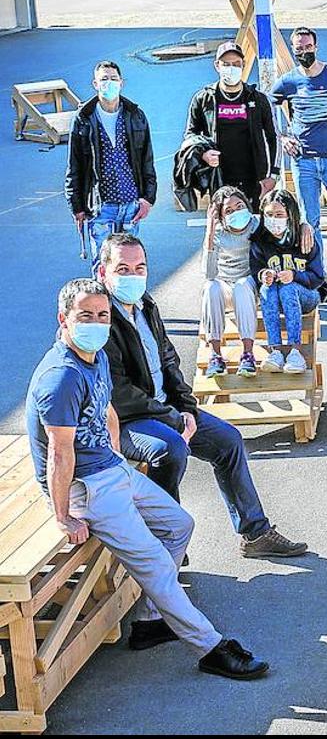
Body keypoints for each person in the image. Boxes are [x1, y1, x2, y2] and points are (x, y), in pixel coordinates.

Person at [27, 278, 267, 677]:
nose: (96, 322)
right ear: (63, 320)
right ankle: (209, 647)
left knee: (179, 524)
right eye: (85, 315)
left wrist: (118, 457)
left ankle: (154, 620)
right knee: (156, 562)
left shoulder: (95, 354)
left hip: (108, 466)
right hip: (84, 487)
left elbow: (106, 409)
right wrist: (63, 515)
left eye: (102, 315)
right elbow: (58, 452)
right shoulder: (60, 377)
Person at [96, 234, 307, 559]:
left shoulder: (145, 305)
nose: (133, 275)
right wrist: (172, 418)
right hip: (128, 421)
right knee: (169, 449)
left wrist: (186, 408)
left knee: (229, 440)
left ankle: (255, 533)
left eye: (140, 268)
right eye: (122, 268)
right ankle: (167, 544)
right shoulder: (101, 318)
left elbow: (169, 361)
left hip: (164, 409)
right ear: (102, 273)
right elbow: (119, 393)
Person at [65, 60, 157, 266]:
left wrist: (148, 198)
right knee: (103, 263)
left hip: (130, 202)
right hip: (100, 206)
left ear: (121, 82)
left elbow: (147, 160)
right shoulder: (83, 119)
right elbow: (75, 166)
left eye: (113, 79)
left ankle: (129, 299)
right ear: (95, 84)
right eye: (104, 79)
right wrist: (77, 206)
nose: (109, 83)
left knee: (129, 262)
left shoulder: (135, 116)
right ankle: (102, 298)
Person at [271, 26, 327, 233]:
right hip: (304, 161)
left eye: (308, 47)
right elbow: (267, 107)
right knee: (309, 223)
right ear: (293, 50)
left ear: (316, 46)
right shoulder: (287, 81)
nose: (305, 52)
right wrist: (281, 137)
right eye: (299, 49)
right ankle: (315, 265)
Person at [183, 42, 279, 210]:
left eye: (236, 64)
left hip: (253, 178)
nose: (231, 68)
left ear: (243, 65)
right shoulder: (203, 99)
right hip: (218, 176)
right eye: (226, 64)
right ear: (217, 66)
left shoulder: (258, 99)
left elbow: (273, 137)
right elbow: (190, 136)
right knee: (222, 223)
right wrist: (204, 154)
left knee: (253, 225)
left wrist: (273, 175)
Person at [251, 189, 327, 375]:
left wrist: (295, 276)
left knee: (288, 288)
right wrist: (264, 276)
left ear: (290, 215)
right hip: (275, 299)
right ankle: (275, 350)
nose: (273, 219)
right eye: (269, 214)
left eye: (279, 215)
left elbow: (318, 278)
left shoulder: (304, 238)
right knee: (266, 291)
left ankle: (296, 351)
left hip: (307, 296)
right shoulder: (260, 241)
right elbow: (255, 272)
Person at [201, 186, 261, 378]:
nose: (236, 212)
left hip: (250, 283)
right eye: (229, 210)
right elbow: (209, 273)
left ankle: (248, 353)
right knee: (210, 287)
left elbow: (287, 220)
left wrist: (304, 227)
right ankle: (216, 355)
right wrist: (210, 232)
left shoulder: (257, 223)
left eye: (239, 206)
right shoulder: (218, 232)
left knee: (242, 286)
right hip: (226, 283)